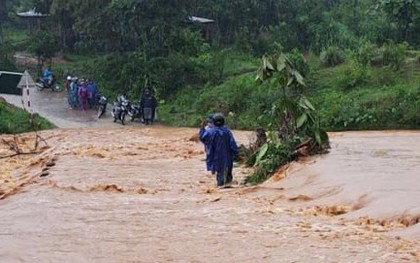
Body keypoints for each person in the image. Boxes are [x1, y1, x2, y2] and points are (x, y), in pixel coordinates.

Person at [199, 113, 239, 187]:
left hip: (216, 157)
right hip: (227, 157)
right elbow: (232, 144)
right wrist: (236, 154)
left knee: (220, 175)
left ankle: (221, 186)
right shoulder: (227, 131)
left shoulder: (210, 132)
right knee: (228, 174)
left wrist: (202, 128)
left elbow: (202, 138)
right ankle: (227, 187)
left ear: (214, 122)